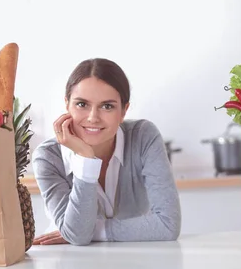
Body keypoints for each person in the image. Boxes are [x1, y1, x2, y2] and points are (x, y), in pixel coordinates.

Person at [31, 58, 181, 246]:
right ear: (67, 104)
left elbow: (168, 225)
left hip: (134, 261)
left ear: (124, 111)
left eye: (107, 106)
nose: (93, 117)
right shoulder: (48, 158)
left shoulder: (143, 137)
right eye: (81, 104)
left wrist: (94, 229)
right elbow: (78, 237)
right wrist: (86, 158)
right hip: (68, 262)